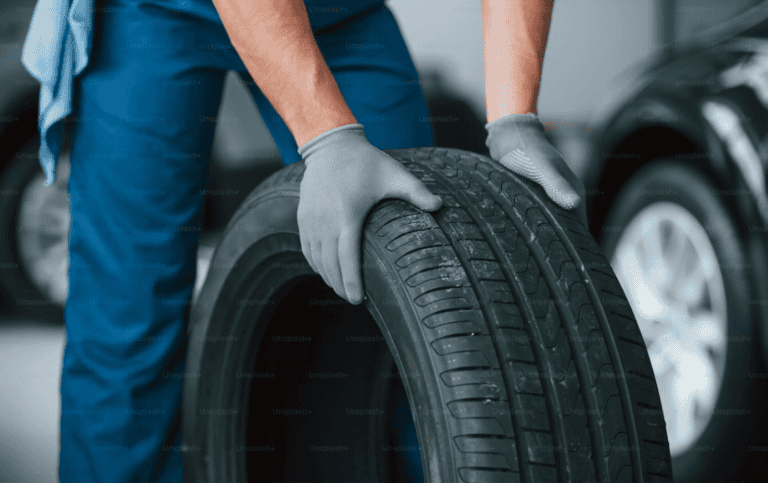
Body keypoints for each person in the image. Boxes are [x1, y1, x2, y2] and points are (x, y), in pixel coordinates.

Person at [21, 0, 586, 481]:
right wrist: (328, 137)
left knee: (419, 283)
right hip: (150, 13)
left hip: (337, 12)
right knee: (126, 314)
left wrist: (514, 120)